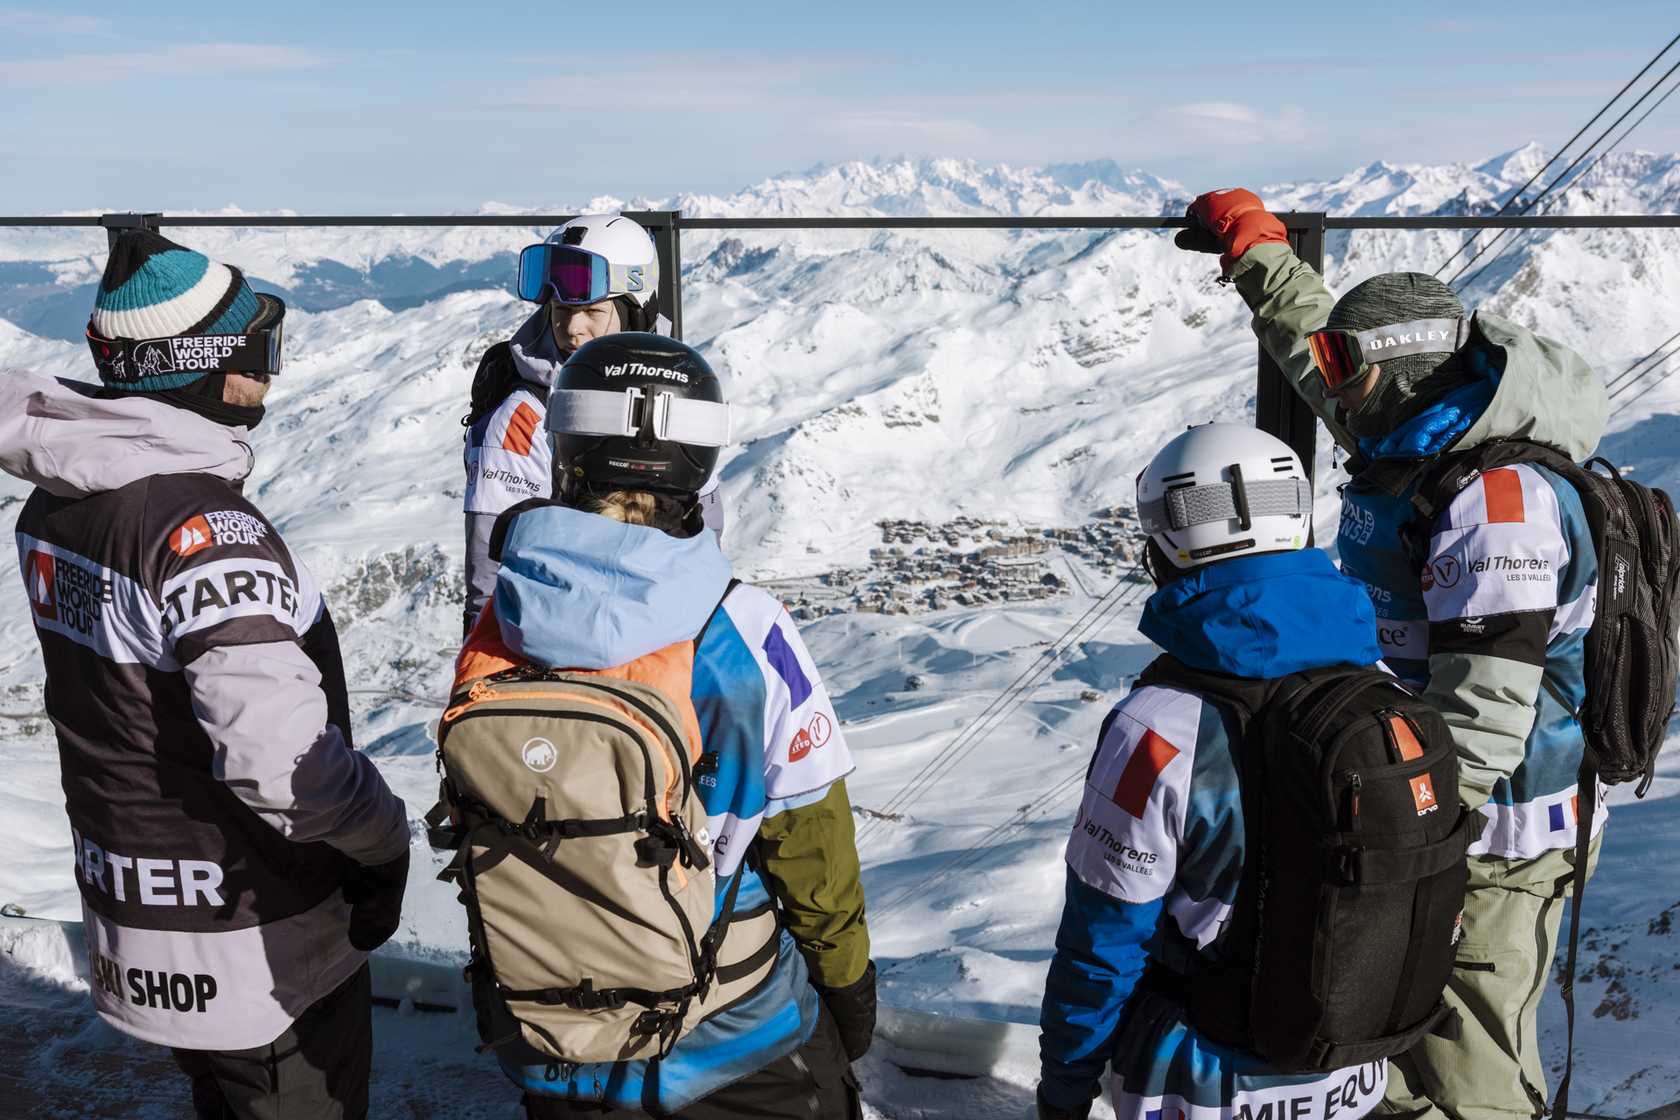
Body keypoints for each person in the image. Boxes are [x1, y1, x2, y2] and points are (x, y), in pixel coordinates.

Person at [1176, 189, 1606, 1120]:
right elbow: (1309, 344)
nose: (1327, 382)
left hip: (1489, 836)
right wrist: (1261, 254)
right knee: (1384, 1040)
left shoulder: (1501, 505)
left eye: (1346, 366)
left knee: (1467, 1064)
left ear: (1399, 370)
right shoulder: (1408, 429)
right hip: (1417, 800)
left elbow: (1486, 717)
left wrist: (1407, 850)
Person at [0, 231, 411, 1120]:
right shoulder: (200, 532)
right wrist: (382, 842)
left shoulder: (63, 493)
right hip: (256, 934)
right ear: (206, 364)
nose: (272, 367)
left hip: (139, 905)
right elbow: (281, 767)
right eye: (259, 346)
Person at [452, 332, 873, 1118]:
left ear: (567, 444)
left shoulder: (502, 620)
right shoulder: (743, 626)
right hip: (732, 1038)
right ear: (700, 462)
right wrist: (852, 999)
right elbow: (814, 848)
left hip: (547, 1031)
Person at [1036, 423, 1401, 1120]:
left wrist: (1065, 1087)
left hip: (1205, 1080)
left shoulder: (1159, 727)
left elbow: (1102, 943)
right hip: (1354, 1070)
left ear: (1165, 549)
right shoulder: (1378, 684)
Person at [461, 214, 722, 634]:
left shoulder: (677, 391)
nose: (570, 329)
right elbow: (490, 575)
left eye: (592, 313)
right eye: (560, 310)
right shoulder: (522, 419)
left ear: (634, 309)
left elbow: (704, 525)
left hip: (668, 618)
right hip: (562, 627)